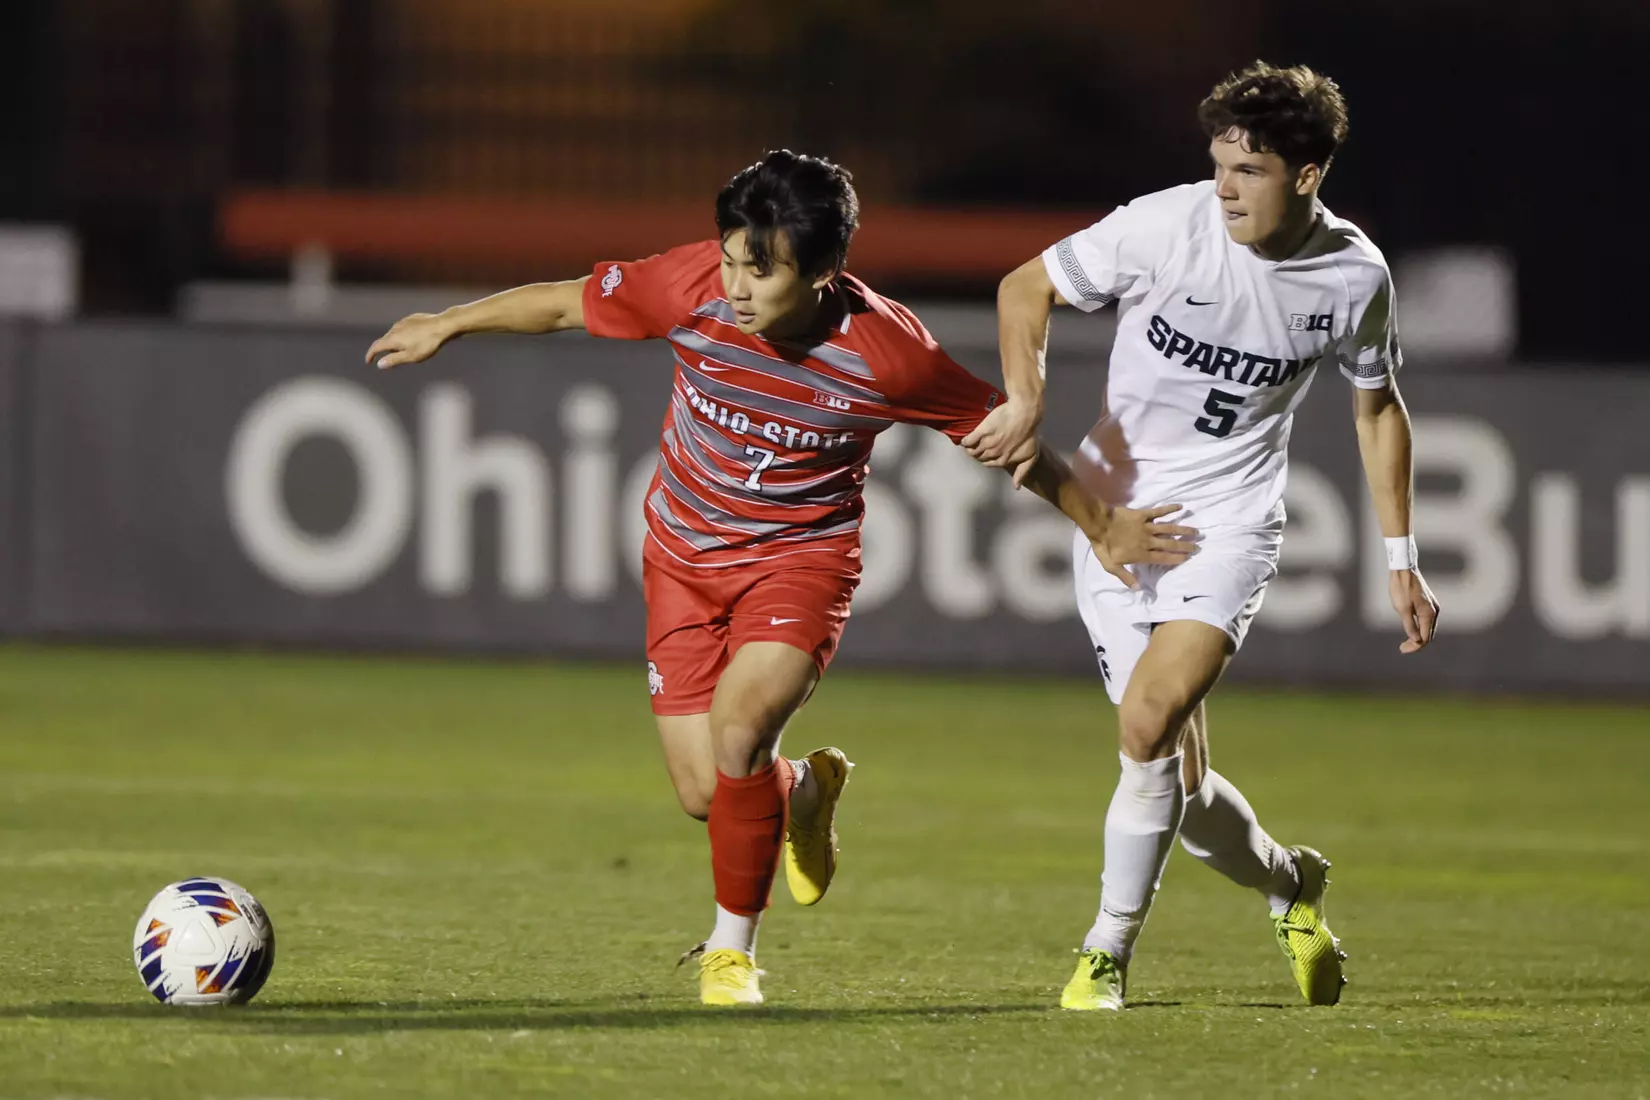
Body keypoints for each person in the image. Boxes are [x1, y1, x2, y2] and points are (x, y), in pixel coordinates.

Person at [366, 150, 1196, 1006]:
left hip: (800, 563)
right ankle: (802, 787)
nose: (735, 286)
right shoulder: (686, 284)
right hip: (682, 561)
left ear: (828, 272)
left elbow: (1009, 444)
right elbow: (563, 303)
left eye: (759, 271)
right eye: (729, 260)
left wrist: (1103, 526)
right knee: (706, 792)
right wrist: (451, 321)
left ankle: (733, 954)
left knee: (738, 733)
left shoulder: (891, 355)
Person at [964, 62, 1441, 1011]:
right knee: (1176, 789)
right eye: (1219, 164)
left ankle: (1104, 955)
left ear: (1307, 175)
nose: (1224, 188)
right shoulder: (1163, 225)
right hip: (1112, 514)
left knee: (1145, 725)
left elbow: (1378, 408)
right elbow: (1028, 287)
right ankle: (1287, 885)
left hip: (1226, 524)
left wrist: (1402, 559)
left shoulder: (1353, 276)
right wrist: (1027, 397)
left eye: (1250, 170)